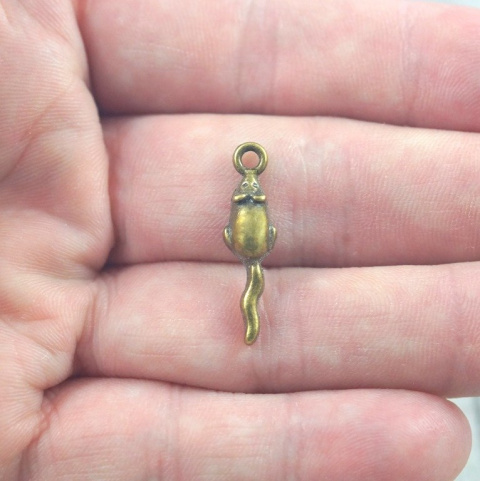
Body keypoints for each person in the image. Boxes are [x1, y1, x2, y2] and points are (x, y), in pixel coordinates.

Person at [1, 0, 478, 479]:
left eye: (251, 184)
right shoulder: (248, 198)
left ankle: (251, 322)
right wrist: (250, 240)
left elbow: (241, 228)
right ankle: (251, 323)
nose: (249, 187)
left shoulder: (250, 199)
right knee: (252, 287)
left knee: (253, 286)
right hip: (252, 246)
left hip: (251, 246)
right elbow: (240, 227)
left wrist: (247, 240)